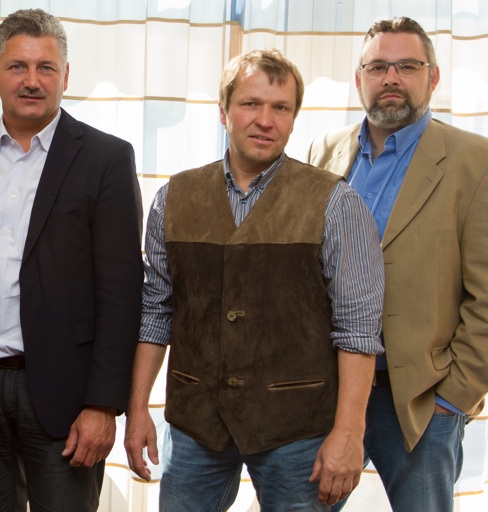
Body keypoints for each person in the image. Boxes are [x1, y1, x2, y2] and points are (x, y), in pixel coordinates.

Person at [125, 48, 385, 512]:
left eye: (280, 108)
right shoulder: (173, 198)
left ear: (294, 118)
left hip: (298, 429)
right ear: (223, 111)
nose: (265, 120)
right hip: (196, 423)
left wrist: (349, 432)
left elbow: (358, 330)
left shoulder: (335, 203)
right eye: (250, 104)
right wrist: (138, 407)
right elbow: (156, 310)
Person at [0, 8, 143, 511]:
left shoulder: (107, 159)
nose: (31, 80)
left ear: (66, 76)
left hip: (67, 397)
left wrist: (102, 404)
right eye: (17, 66)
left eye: (46, 67)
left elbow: (121, 293)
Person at [308, 16, 488, 512]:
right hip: (329, 392)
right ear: (359, 79)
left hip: (419, 401)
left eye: (407, 66)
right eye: (378, 67)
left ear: (433, 77)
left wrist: (453, 398)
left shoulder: (475, 161)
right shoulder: (326, 150)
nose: (391, 78)